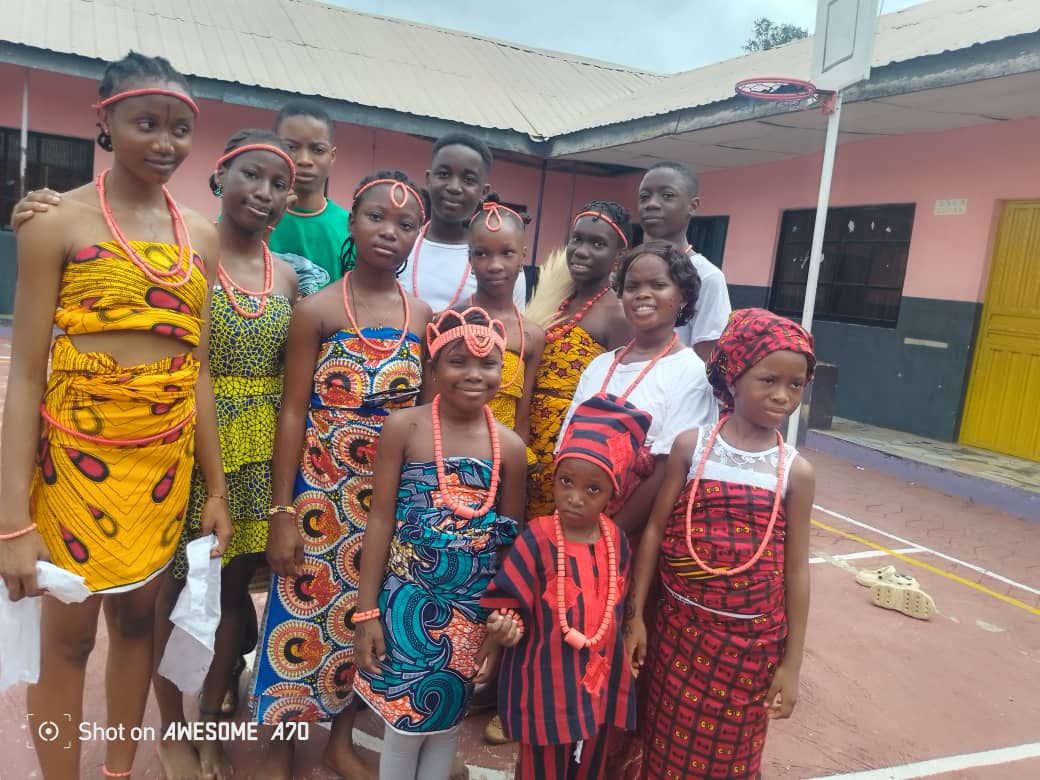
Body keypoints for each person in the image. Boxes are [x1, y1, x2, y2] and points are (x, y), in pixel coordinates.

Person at [0, 51, 231, 779]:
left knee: (136, 626)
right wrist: (12, 521)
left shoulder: (201, 236)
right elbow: (26, 376)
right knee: (68, 642)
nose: (165, 142)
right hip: (74, 466)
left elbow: (196, 368)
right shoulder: (55, 222)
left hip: (162, 467)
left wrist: (217, 487)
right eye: (145, 124)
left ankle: (118, 772)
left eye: (179, 129)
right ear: (105, 123)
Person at [251, 171, 433, 780]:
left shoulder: (422, 317)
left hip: (388, 503)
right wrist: (282, 512)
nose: (389, 231)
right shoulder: (317, 310)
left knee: (366, 618)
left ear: (417, 237)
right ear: (351, 222)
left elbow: (425, 420)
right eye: (376, 217)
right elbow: (293, 412)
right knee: (298, 615)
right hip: (320, 497)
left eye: (405, 224)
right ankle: (281, 745)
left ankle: (339, 741)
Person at [148, 129, 298, 780]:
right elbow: (195, 368)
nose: (264, 193)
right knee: (174, 591)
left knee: (234, 594)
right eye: (251, 176)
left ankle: (209, 723)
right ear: (219, 178)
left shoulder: (286, 275)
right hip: (190, 442)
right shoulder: (186, 251)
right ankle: (171, 729)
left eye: (278, 184)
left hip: (259, 454)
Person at [624, 308, 817, 780]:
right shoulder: (692, 448)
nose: (782, 396)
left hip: (750, 651)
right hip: (678, 635)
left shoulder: (795, 472)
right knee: (663, 749)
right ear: (732, 375)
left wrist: (791, 664)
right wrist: (636, 617)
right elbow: (655, 532)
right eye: (768, 380)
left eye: (795, 385)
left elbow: (796, 570)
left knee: (732, 760)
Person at [353, 308, 527, 780]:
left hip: (471, 611)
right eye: (457, 362)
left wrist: (497, 626)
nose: (474, 375)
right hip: (406, 601)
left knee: (448, 722)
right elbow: (380, 520)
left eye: (488, 364)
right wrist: (367, 612)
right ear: (432, 368)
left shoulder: (510, 448)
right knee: (404, 724)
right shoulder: (404, 428)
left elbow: (508, 545)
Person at [481, 395, 651, 779]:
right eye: (566, 482)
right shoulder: (538, 538)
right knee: (541, 768)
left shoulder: (615, 541)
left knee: (590, 763)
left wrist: (628, 633)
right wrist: (505, 626)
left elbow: (617, 604)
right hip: (545, 683)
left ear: (613, 494)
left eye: (593, 489)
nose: (574, 498)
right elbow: (509, 601)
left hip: (598, 681)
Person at [557, 240, 718, 535]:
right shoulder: (599, 366)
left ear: (683, 296)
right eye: (632, 286)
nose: (643, 294)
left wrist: (608, 537)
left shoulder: (691, 373)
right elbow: (567, 446)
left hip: (633, 533)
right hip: (574, 519)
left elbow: (667, 471)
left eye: (658, 285)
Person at [524, 201, 634, 521]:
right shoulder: (553, 298)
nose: (582, 251)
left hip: (570, 451)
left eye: (597, 244)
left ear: (618, 258)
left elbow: (616, 399)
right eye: (577, 239)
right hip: (525, 439)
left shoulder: (617, 315)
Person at [401, 133, 525, 311]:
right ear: (428, 179)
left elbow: (513, 324)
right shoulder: (400, 247)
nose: (454, 187)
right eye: (444, 174)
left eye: (468, 180)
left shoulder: (503, 263)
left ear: (484, 192)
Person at [460, 197, 545, 438]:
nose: (495, 265)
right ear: (470, 259)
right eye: (482, 254)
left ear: (523, 256)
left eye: (507, 253)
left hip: (503, 454)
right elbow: (430, 405)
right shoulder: (449, 321)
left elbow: (522, 419)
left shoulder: (531, 335)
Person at [637, 160, 731, 362]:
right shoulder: (630, 269)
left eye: (667, 195)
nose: (652, 204)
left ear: (693, 206)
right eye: (644, 197)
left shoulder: (707, 276)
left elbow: (708, 360)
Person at [267, 100, 350, 285]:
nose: (304, 160)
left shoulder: (350, 230)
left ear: (332, 156)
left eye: (317, 150)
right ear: (275, 149)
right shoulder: (249, 215)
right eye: (291, 147)